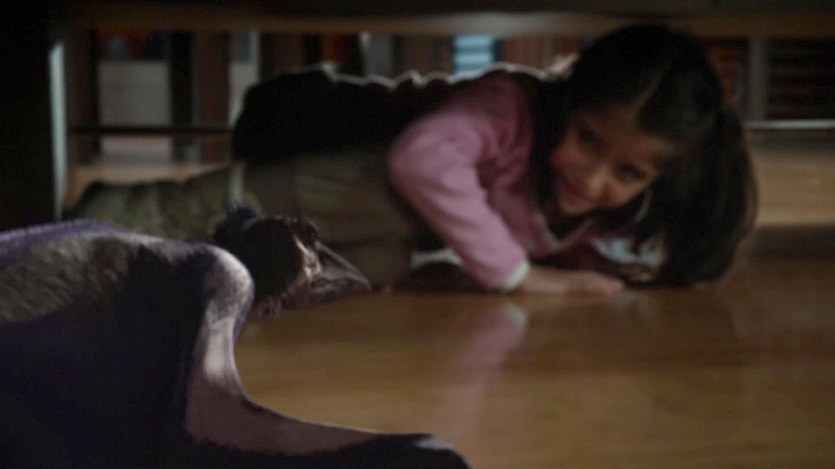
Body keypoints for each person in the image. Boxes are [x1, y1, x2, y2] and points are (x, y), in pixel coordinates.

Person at [232, 23, 757, 295]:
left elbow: (528, 223)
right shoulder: (511, 106)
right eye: (588, 140)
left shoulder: (612, 208)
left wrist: (576, 265)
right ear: (566, 103)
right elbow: (421, 161)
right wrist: (515, 276)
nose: (593, 178)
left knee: (379, 261)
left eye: (629, 172)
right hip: (308, 124)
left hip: (345, 209)